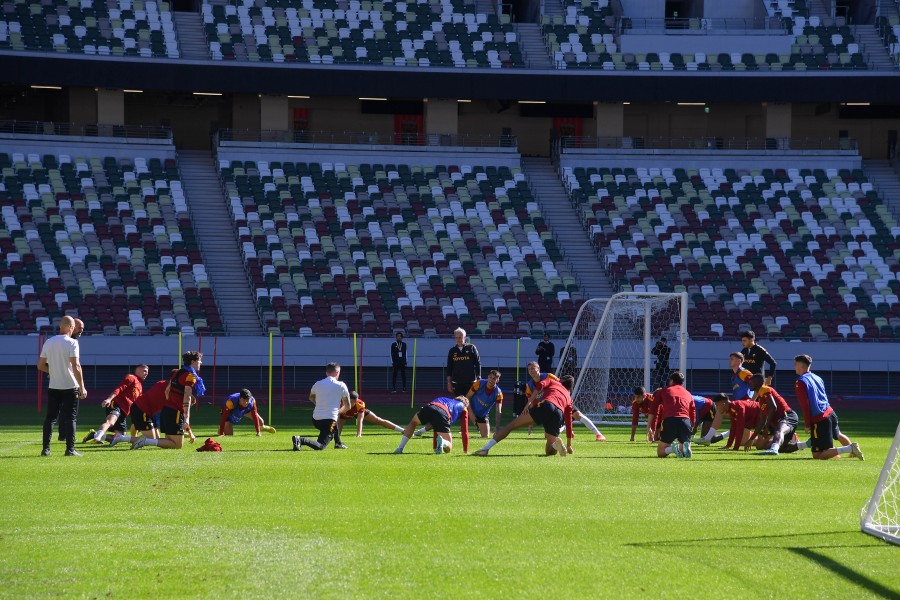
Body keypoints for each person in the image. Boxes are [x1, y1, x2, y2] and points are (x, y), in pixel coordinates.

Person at [474, 363, 572, 457]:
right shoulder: (569, 398)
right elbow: (569, 421)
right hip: (559, 413)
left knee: (511, 426)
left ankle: (485, 448)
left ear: (561, 381)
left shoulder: (553, 381)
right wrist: (569, 445)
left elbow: (540, 385)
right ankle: (555, 445)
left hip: (547, 405)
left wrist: (528, 403)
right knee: (549, 451)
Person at [793, 354, 863, 460]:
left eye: (795, 364)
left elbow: (805, 404)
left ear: (801, 366)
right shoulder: (817, 377)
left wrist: (807, 424)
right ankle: (852, 454)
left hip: (820, 418)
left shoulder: (801, 382)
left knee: (818, 455)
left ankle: (850, 449)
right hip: (830, 412)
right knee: (838, 434)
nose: (794, 367)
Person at [131, 351, 204, 450]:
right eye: (199, 360)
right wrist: (186, 418)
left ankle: (143, 440)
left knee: (169, 441)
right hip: (174, 412)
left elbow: (167, 392)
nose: (201, 363)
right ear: (193, 361)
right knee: (177, 445)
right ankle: (145, 441)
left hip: (166, 410)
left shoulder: (177, 373)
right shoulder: (190, 376)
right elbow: (187, 396)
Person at [38, 316, 87, 457]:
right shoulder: (72, 343)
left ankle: (46, 449)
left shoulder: (49, 342)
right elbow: (76, 366)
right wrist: (82, 387)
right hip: (70, 386)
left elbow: (40, 366)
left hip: (54, 386)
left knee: (50, 418)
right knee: (71, 418)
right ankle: (70, 449)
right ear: (71, 327)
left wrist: (53, 371)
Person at [524, 366, 605, 441]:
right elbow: (531, 402)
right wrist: (531, 421)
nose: (531, 371)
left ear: (538, 369)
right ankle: (565, 427)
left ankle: (598, 434)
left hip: (560, 400)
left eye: (533, 368)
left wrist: (567, 397)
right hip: (548, 407)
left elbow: (561, 386)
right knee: (547, 436)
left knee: (578, 415)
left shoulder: (548, 376)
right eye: (529, 369)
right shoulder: (529, 386)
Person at [82, 365, 148, 444]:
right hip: (117, 404)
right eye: (144, 371)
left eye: (147, 372)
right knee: (110, 421)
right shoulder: (131, 378)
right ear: (137, 371)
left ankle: (94, 435)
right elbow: (119, 388)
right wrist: (109, 399)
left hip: (124, 411)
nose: (146, 373)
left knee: (120, 436)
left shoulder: (139, 385)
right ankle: (98, 437)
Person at [292, 362, 351, 451]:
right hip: (329, 420)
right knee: (321, 446)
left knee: (333, 424)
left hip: (316, 419)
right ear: (338, 373)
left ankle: (338, 443)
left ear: (326, 373)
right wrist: (338, 411)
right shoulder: (341, 385)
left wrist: (319, 404)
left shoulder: (318, 383)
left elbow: (311, 397)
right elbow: (348, 406)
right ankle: (300, 440)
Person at [394, 396, 470, 454]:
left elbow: (435, 424)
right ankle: (443, 442)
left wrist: (435, 447)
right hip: (443, 413)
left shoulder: (443, 398)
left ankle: (400, 448)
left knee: (413, 423)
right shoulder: (464, 407)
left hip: (429, 407)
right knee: (449, 447)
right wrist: (465, 450)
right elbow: (464, 430)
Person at [744, 374, 798, 456]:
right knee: (782, 448)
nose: (749, 384)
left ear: (757, 383)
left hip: (787, 416)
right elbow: (762, 421)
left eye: (751, 382)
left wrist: (767, 427)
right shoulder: (761, 397)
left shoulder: (765, 389)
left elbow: (773, 407)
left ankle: (773, 449)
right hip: (778, 421)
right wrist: (751, 439)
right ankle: (806, 444)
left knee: (779, 430)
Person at [107, 376, 169, 447]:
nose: (146, 373)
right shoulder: (168, 387)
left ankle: (131, 439)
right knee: (152, 440)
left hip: (145, 410)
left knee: (156, 439)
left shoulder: (160, 383)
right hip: (143, 409)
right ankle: (121, 438)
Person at [652, 372, 695, 459]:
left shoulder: (663, 390)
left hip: (670, 420)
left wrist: (651, 427)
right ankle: (686, 448)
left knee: (660, 452)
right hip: (685, 421)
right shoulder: (688, 393)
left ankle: (672, 449)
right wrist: (691, 426)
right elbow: (693, 412)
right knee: (683, 450)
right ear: (682, 383)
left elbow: (653, 409)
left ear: (671, 381)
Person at [339, 390, 405, 437]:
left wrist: (359, 434)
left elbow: (360, 420)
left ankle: (403, 430)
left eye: (354, 402)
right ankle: (336, 436)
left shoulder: (359, 404)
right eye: (351, 401)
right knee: (340, 422)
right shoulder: (340, 404)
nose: (353, 403)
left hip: (356, 412)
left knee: (378, 420)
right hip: (345, 412)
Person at [446, 327, 480, 398]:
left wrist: (478, 378)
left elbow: (477, 363)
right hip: (457, 382)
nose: (458, 340)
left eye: (460, 337)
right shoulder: (452, 350)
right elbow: (449, 367)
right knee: (459, 404)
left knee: (470, 403)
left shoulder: (472, 348)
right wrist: (449, 383)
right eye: (456, 338)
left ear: (464, 337)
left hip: (471, 381)